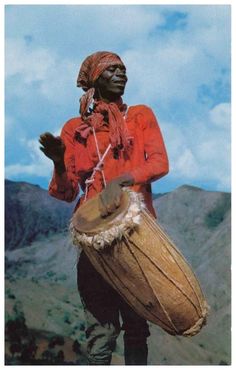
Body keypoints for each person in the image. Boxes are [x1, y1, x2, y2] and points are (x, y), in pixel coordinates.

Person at [39, 51, 169, 365]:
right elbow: (67, 191)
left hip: (136, 235)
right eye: (112, 71)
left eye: (123, 70)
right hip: (95, 239)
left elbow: (160, 163)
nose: (121, 75)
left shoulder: (140, 116)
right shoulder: (75, 129)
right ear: (96, 79)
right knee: (102, 333)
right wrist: (58, 160)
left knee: (137, 328)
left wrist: (121, 181)